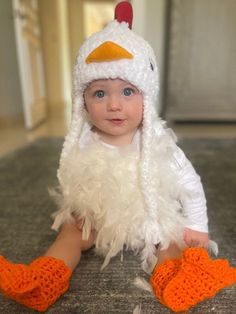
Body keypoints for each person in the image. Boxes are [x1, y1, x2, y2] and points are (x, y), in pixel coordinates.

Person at [0, 2, 235, 313]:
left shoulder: (158, 144)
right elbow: (76, 178)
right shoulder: (83, 141)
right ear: (82, 102)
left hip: (149, 220)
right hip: (102, 219)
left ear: (147, 98)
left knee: (169, 240)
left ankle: (174, 277)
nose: (114, 105)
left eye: (127, 92)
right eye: (99, 93)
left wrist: (198, 226)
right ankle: (47, 276)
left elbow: (191, 186)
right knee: (72, 229)